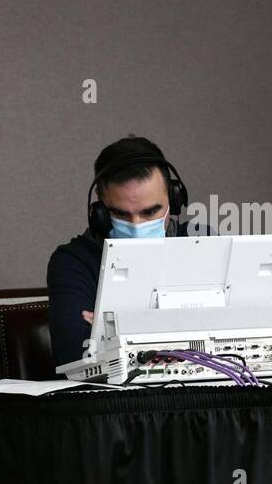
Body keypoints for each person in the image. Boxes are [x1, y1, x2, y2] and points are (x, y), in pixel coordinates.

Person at [47, 135, 193, 367]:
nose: (136, 226)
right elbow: (75, 354)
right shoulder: (72, 262)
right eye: (121, 214)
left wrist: (113, 327)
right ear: (100, 210)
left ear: (174, 200)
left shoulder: (203, 245)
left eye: (149, 212)